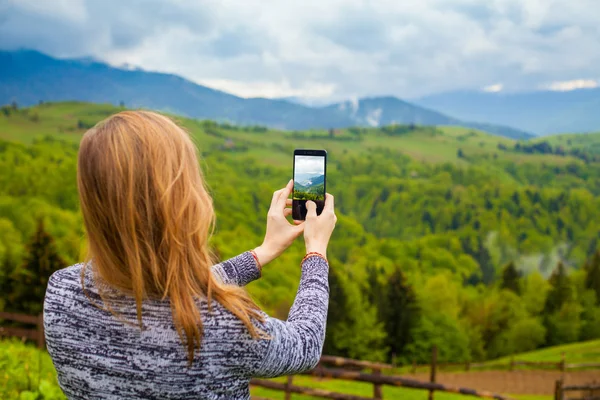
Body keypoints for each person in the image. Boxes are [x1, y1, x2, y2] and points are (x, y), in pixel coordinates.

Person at [43, 111, 337, 399]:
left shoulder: (63, 293)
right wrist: (316, 252)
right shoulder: (224, 325)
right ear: (180, 203)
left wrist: (263, 252)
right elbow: (305, 343)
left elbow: (167, 289)